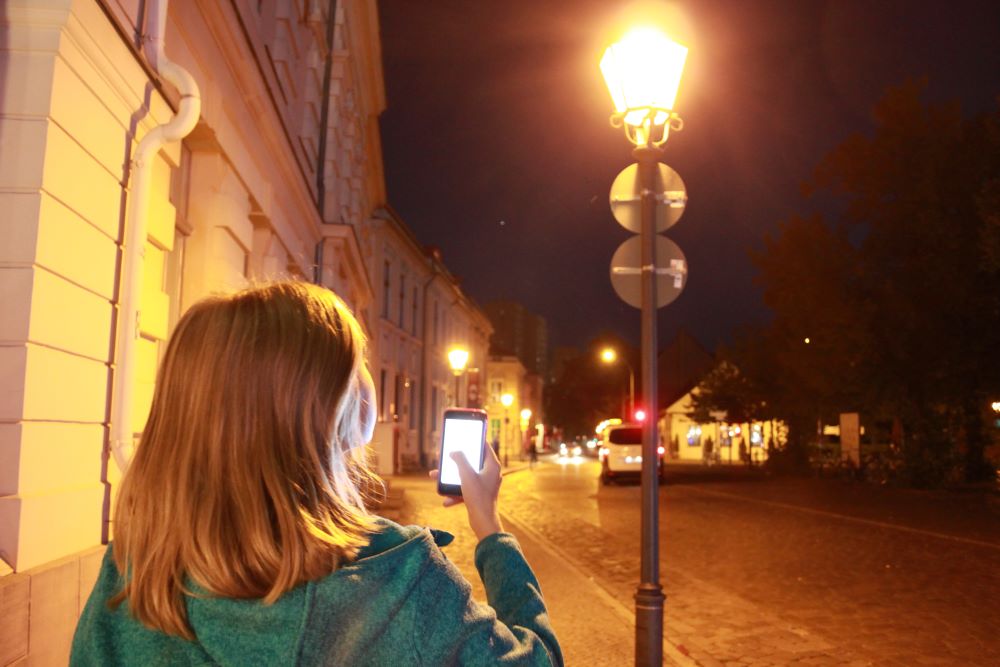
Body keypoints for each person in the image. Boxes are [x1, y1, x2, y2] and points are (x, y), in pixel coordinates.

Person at [71, 281, 562, 666]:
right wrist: (491, 530)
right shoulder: (401, 579)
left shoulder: (136, 571)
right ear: (341, 405)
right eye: (359, 361)